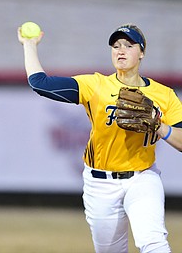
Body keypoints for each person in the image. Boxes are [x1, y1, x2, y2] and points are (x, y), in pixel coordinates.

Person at [18, 23, 182, 253]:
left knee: (153, 242)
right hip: (100, 183)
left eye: (128, 45)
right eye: (115, 46)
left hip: (142, 178)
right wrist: (29, 45)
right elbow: (40, 84)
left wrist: (160, 127)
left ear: (142, 52)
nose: (120, 50)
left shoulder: (163, 95)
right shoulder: (96, 85)